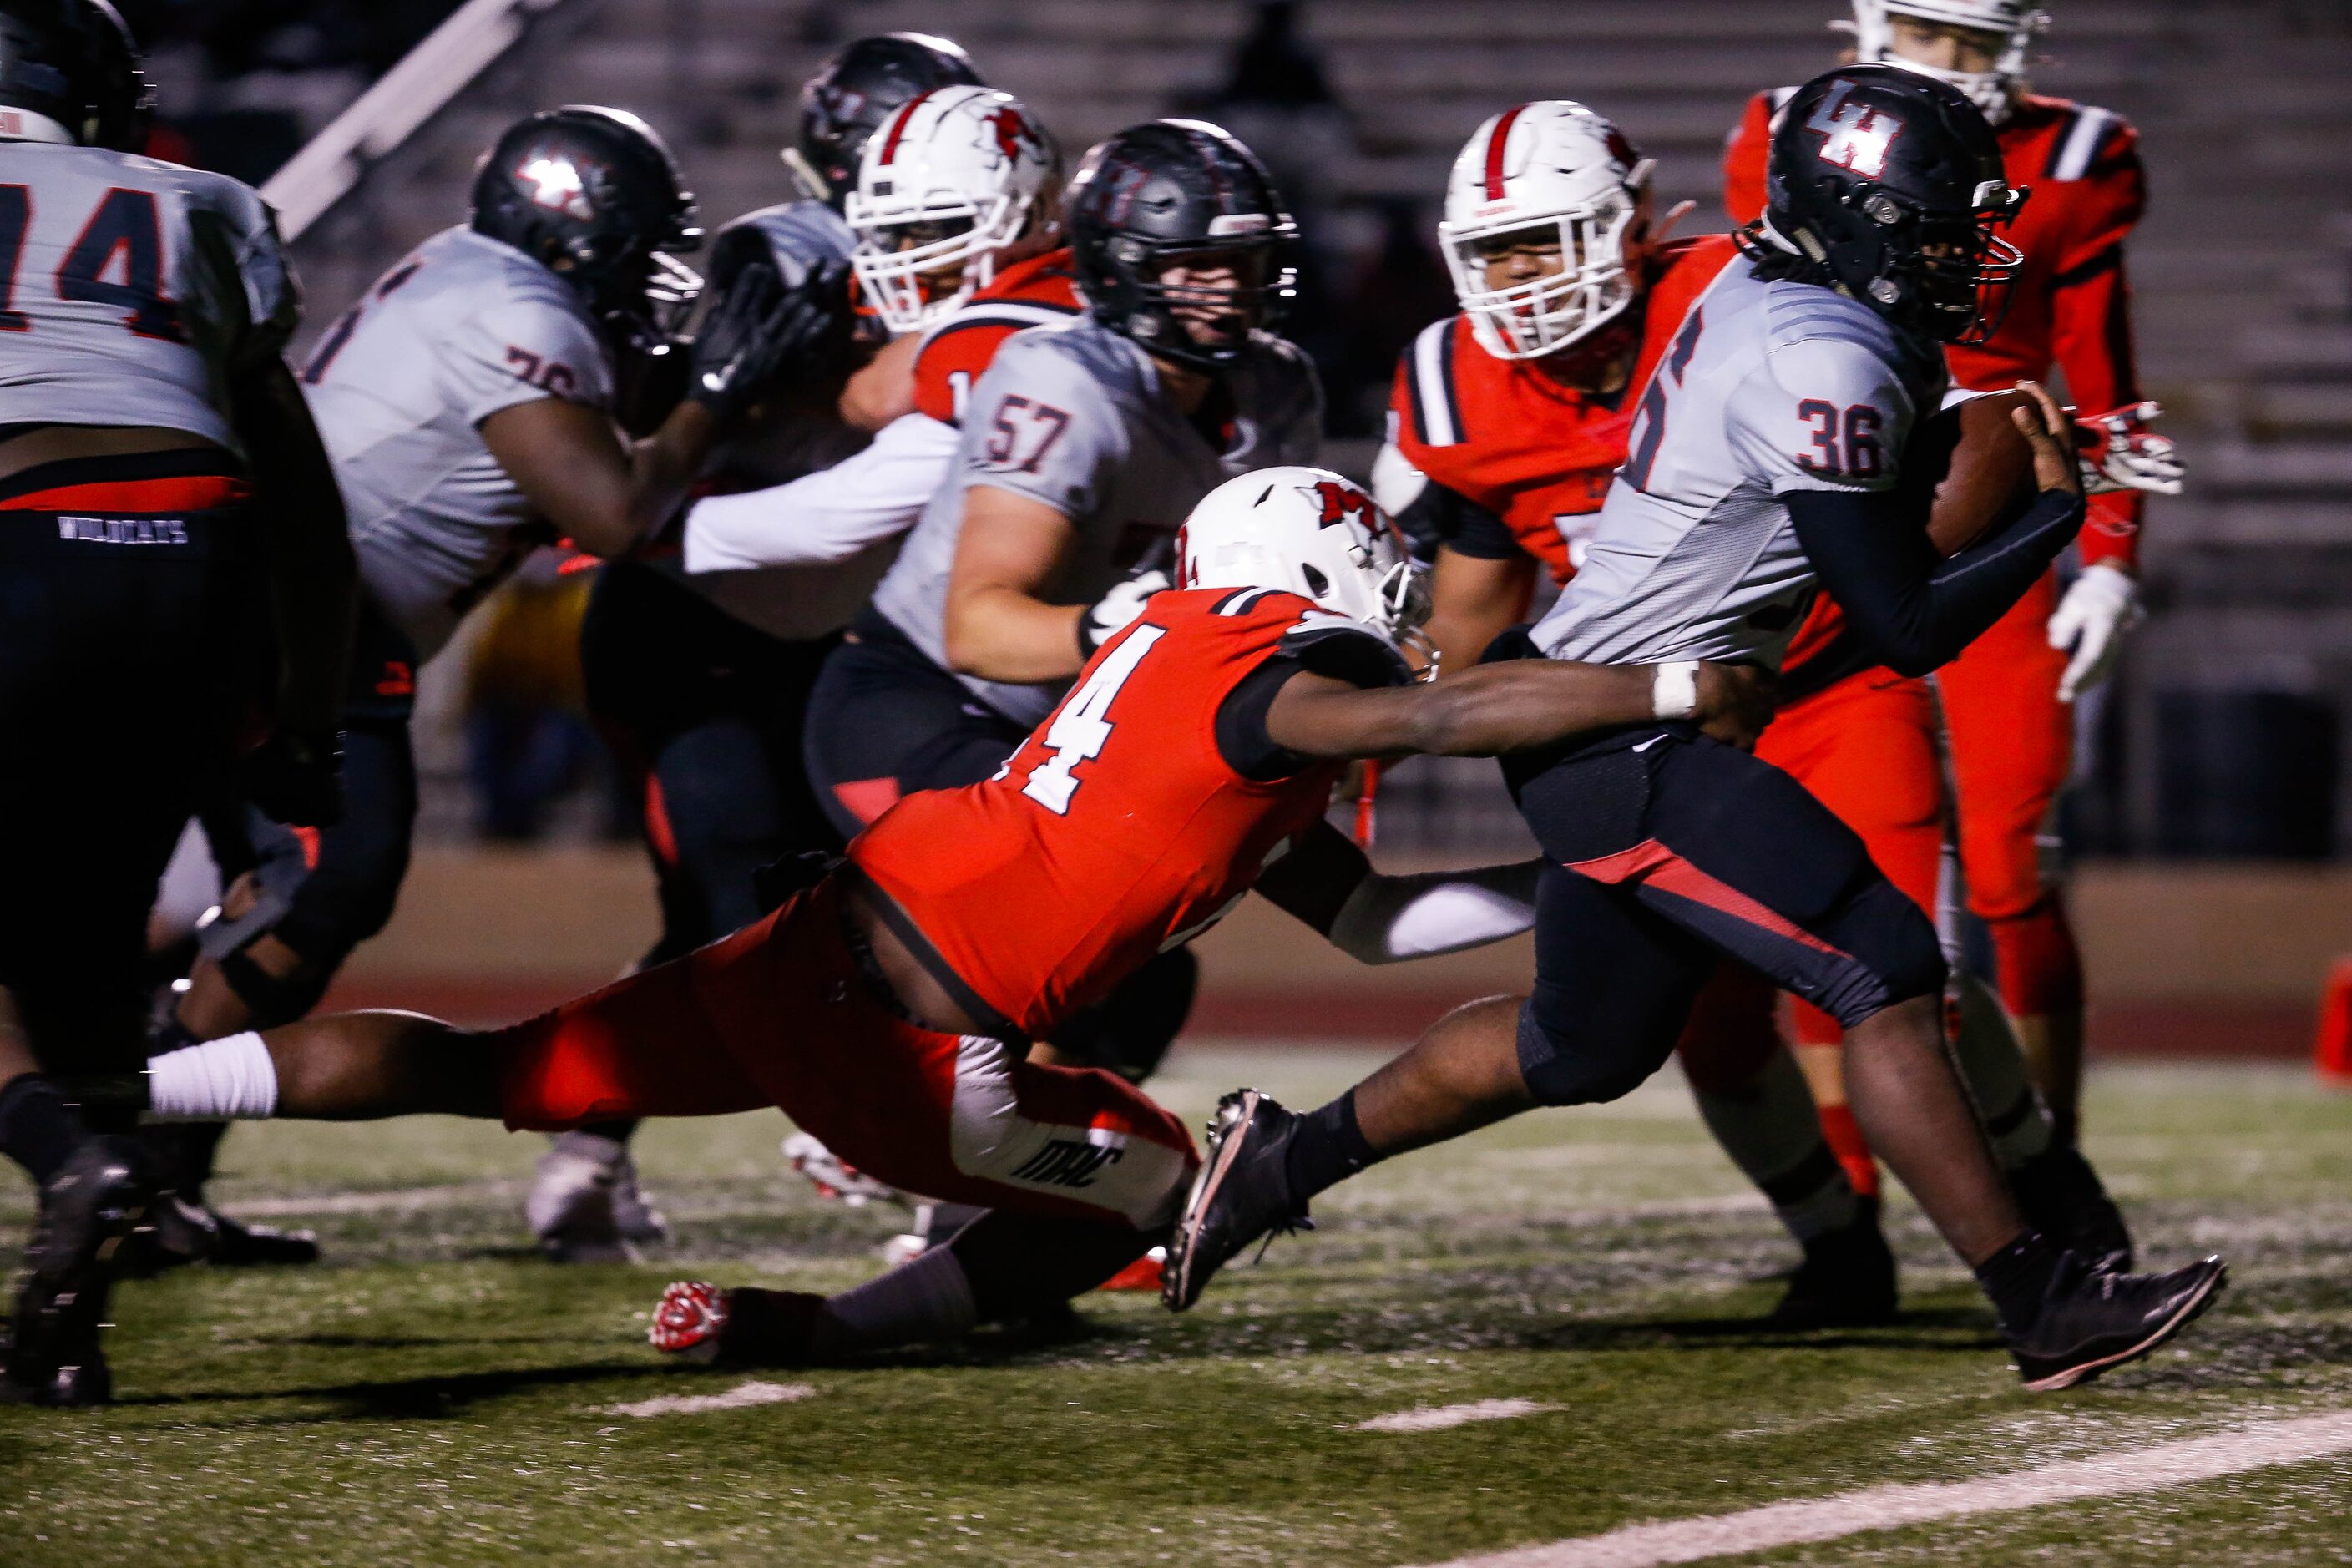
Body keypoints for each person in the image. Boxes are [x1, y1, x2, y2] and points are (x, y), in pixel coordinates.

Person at [122, 468, 1774, 1370]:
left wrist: (1559, 889)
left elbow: (1365, 925)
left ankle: (123, 1097)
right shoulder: (1276, 670)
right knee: (1162, 1194)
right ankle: (832, 1333)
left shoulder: (1189, 679)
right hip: (921, 1049)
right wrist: (1675, 682)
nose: (1401, 630)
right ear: (1311, 579)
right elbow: (1419, 723)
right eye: (1385, 598)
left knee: (489, 1066)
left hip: (806, 952)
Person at [1167, 68, 2227, 1394]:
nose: (1969, 253)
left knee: (1581, 1045)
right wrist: (2053, 518)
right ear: (1854, 221)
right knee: (1884, 967)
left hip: (1611, 717)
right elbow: (1899, 619)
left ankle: (1279, 1158)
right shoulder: (1815, 349)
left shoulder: (1765, 291)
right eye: (1939, 226)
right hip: (1629, 739)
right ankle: (2044, 1298)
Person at [139, 104, 829, 1256]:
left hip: (297, 601)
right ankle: (135, 1142)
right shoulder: (511, 308)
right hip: (305, 612)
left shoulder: (487, 284)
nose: (647, 275)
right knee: (328, 877)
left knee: (293, 884)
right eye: (634, 244)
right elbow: (610, 510)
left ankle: (144, 1151)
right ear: (570, 233)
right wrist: (713, 389)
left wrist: (711, 382)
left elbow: (625, 421)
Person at [541, 34, 999, 1260]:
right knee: (730, 912)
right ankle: (590, 1137)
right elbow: (681, 395)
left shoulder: (978, 288)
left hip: (822, 633)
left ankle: (926, 1145)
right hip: (691, 623)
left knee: (882, 903)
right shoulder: (780, 255)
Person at [1723, 0, 2178, 1146]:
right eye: (1933, 34)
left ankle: (2051, 1146)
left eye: (1977, 39)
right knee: (1837, 853)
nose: (1958, 63)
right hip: (1837, 494)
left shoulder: (2074, 158)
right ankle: (1857, 1182)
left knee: (2013, 850)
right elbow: (1748, 331)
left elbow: (2103, 377)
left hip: (1992, 499)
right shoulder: (1788, 127)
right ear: (1872, 23)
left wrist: (2111, 559)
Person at [799, 118, 1322, 1095]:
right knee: (1059, 956)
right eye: (1196, 265)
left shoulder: (1277, 384)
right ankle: (896, 1114)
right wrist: (1130, 624)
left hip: (1069, 732)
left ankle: (1000, 1198)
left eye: (1243, 262)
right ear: (1124, 268)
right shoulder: (1065, 382)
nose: (1229, 288)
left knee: (1140, 980)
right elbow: (980, 626)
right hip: (924, 705)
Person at [0, 0, 354, 1405]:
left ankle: (68, 1159)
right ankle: (60, 1322)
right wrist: (313, 721)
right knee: (86, 956)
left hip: (19, 533)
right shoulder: (208, 206)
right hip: (196, 564)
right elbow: (308, 509)